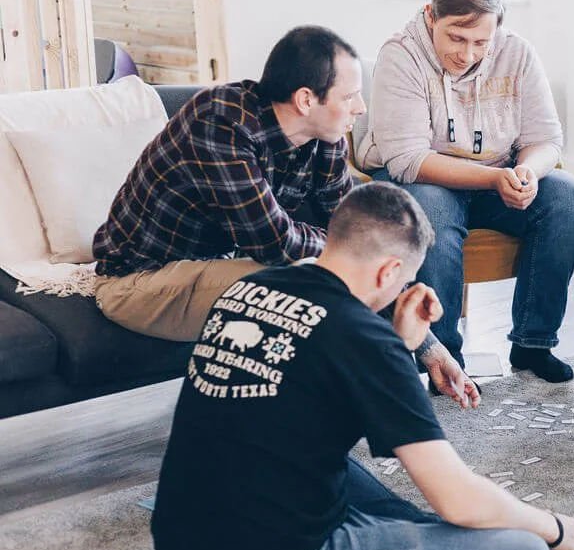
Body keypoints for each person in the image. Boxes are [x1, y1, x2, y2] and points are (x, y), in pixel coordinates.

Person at [152, 182, 574, 550]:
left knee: (306, 455)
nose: (404, 289)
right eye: (406, 280)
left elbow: (325, 403)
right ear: (388, 271)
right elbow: (456, 499)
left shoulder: (251, 288)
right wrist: (554, 527)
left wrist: (401, 346)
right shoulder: (364, 338)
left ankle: (412, 546)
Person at [91, 25, 474, 404]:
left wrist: (430, 346)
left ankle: (376, 401)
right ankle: (346, 413)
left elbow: (361, 238)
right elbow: (276, 243)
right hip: (140, 282)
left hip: (220, 265)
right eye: (352, 96)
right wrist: (344, 247)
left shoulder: (325, 139)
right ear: (306, 100)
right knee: (302, 282)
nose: (362, 107)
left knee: (337, 269)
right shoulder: (220, 122)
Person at [357, 0, 574, 383]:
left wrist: (526, 172)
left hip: (496, 175)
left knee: (567, 195)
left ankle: (533, 344)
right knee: (431, 207)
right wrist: (492, 180)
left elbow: (546, 139)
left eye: (481, 42)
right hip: (423, 179)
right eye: (456, 39)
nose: (468, 54)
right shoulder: (401, 55)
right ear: (431, 16)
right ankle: (442, 358)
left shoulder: (518, 53)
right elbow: (407, 159)